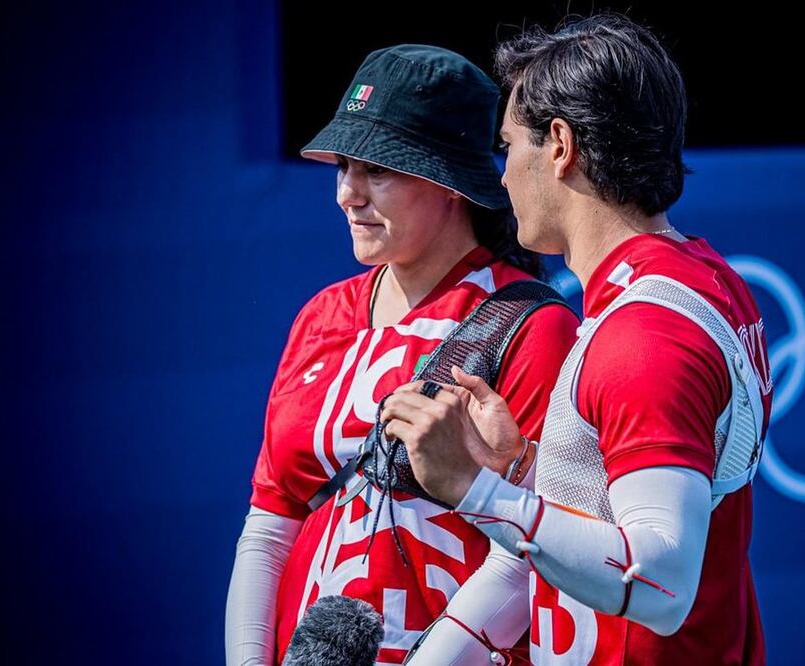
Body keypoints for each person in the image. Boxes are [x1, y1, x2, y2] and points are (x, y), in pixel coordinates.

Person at [385, 15, 773, 665]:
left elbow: (659, 581)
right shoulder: (698, 280)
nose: (503, 176)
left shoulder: (646, 336)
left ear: (560, 145)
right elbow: (612, 520)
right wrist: (525, 472)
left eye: (508, 147)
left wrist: (476, 491)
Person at [224, 43, 579, 665]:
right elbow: (269, 523)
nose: (347, 194)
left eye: (377, 171)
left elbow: (542, 548)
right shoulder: (321, 316)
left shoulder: (532, 326)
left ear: (449, 183)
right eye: (344, 168)